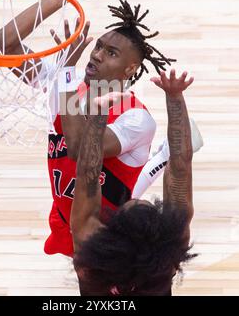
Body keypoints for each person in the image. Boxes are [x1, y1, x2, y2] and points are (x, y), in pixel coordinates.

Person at [0, 0, 201, 257]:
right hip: (69, 214)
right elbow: (2, 45)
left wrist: (64, 71)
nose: (97, 55)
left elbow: (79, 150)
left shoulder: (136, 118)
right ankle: (160, 158)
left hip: (115, 234)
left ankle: (160, 160)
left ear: (130, 69)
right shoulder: (66, 82)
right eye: (98, 46)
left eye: (110, 53)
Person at [71, 69, 197, 296]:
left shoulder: (94, 253)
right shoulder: (165, 257)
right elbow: (180, 167)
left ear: (113, 226)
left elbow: (87, 171)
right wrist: (175, 97)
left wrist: (98, 115)